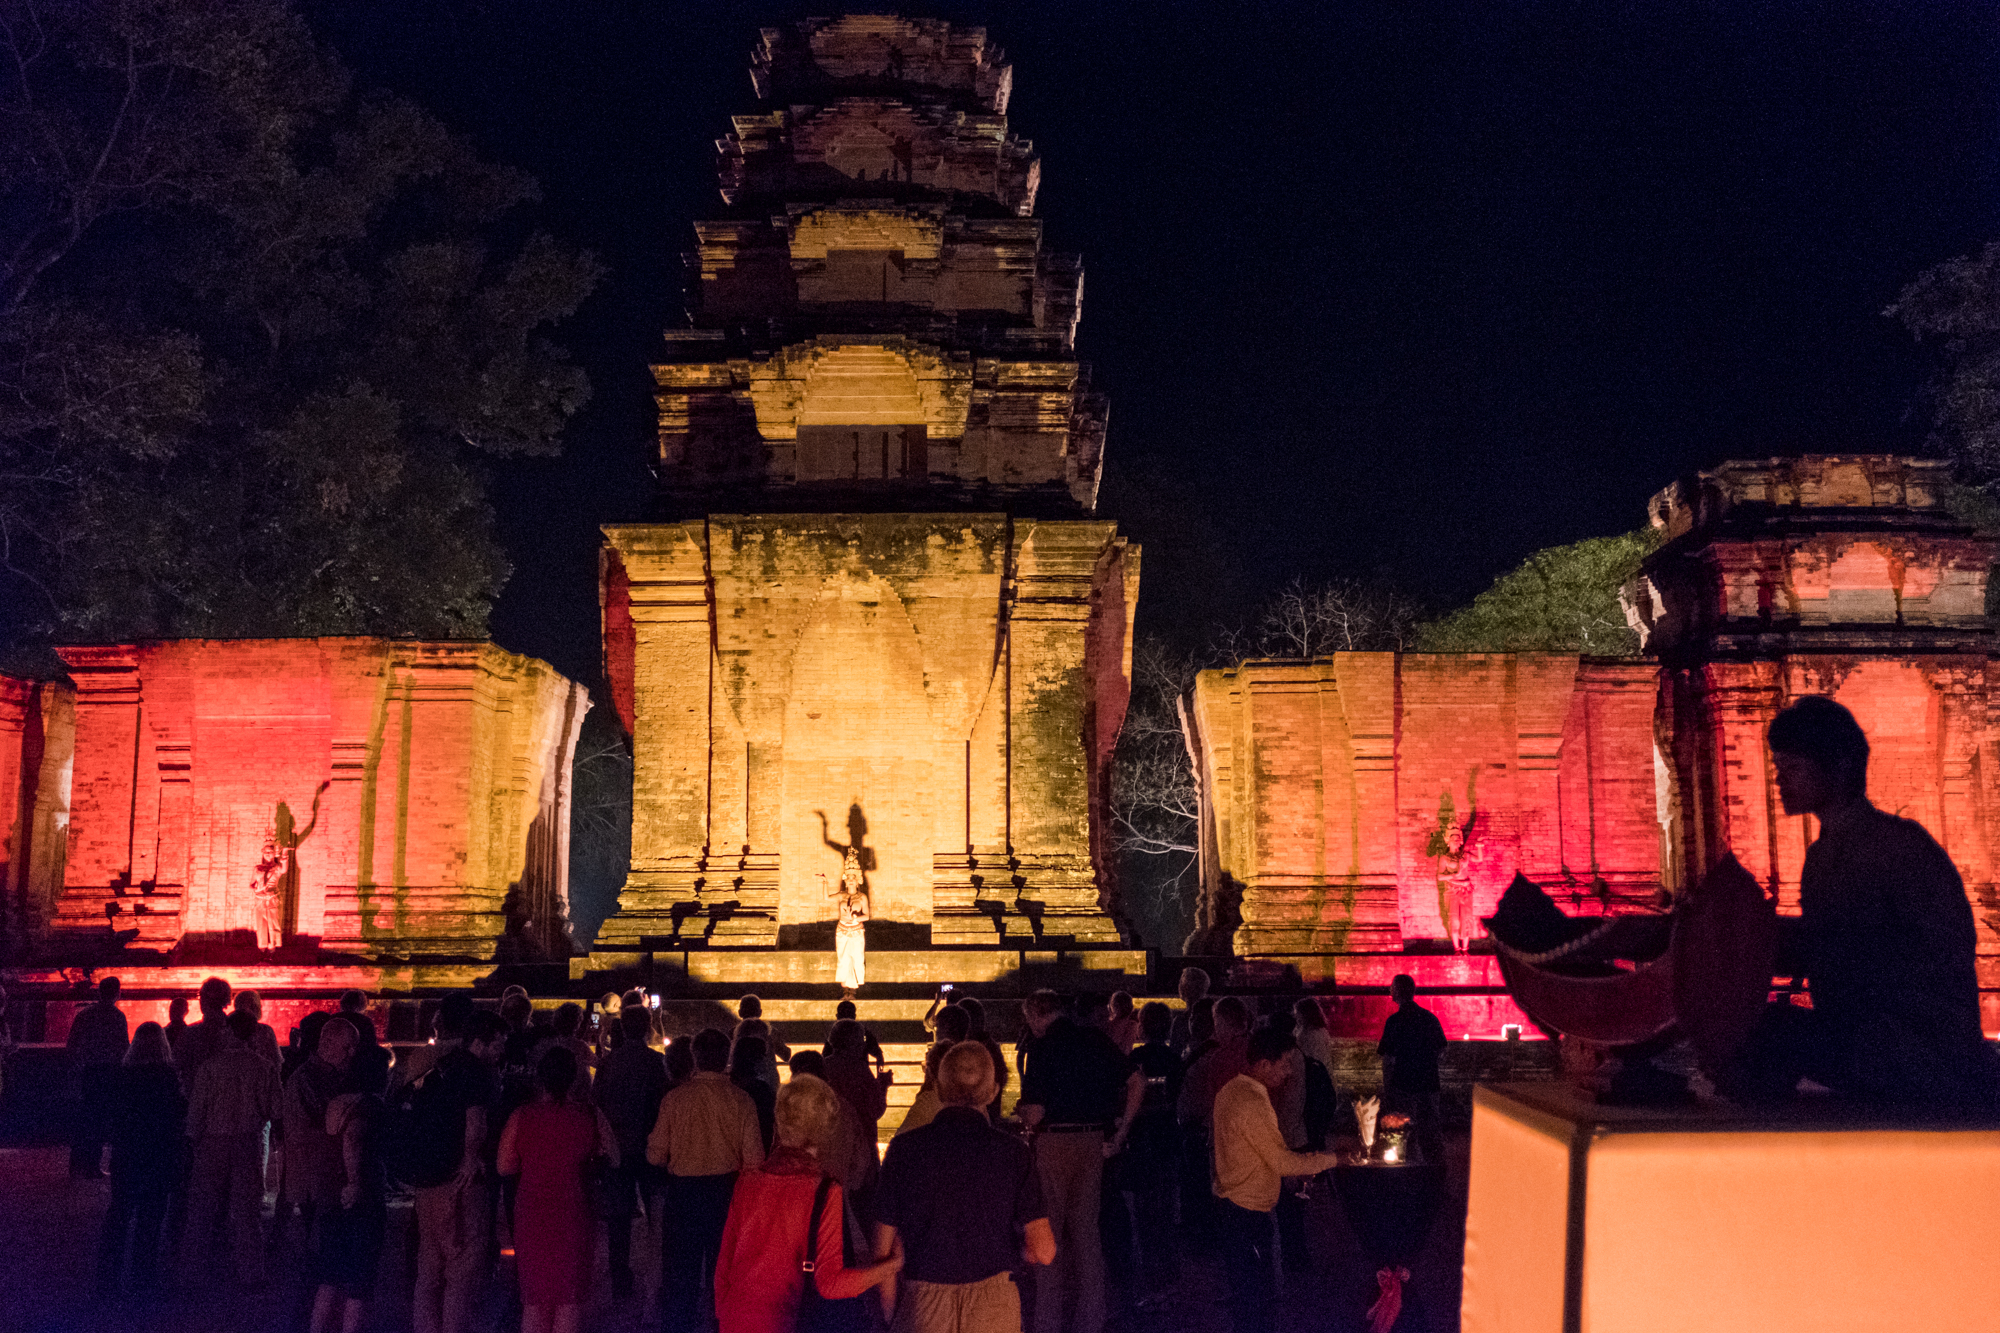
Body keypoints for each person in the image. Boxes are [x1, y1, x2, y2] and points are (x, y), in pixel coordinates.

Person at [875, 1042, 1055, 1333]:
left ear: (940, 1089)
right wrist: (1020, 1251)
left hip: (923, 1300)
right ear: (993, 1091)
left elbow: (882, 1245)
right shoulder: (1013, 1152)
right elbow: (1044, 1251)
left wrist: (890, 1312)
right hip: (993, 1302)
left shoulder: (904, 1150)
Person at [715, 1073, 905, 1333]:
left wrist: (723, 1311)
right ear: (825, 1129)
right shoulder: (824, 1190)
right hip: (784, 1320)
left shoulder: (747, 1180)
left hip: (736, 1317)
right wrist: (889, 1267)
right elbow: (830, 1283)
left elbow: (724, 1265)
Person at [1016, 990, 1135, 1333]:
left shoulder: (1042, 1046)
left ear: (1037, 1015)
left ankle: (1048, 1321)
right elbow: (1136, 1081)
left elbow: (1036, 1111)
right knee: (1087, 1233)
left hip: (1055, 1142)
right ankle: (1091, 1319)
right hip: (1093, 1140)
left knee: (1048, 1230)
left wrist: (1023, 1112)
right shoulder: (1095, 1038)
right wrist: (1121, 1132)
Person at [1211, 1027, 1344, 1333]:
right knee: (1258, 1299)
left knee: (1247, 1294)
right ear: (1263, 1064)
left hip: (1232, 1205)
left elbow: (1255, 1153)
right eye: (1284, 1064)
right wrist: (1335, 1158)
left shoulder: (1230, 1091)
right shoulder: (1252, 1102)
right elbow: (1282, 1161)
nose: (1289, 1073)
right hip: (1247, 1212)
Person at [649, 1027, 766, 1333]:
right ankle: (721, 1324)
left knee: (680, 1275)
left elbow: (655, 1155)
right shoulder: (741, 1100)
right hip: (725, 1193)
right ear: (727, 1056)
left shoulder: (675, 1099)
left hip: (684, 1195)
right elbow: (754, 1160)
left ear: (695, 1057)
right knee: (723, 1271)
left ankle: (679, 1326)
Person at [500, 1045, 617, 1333]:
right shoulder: (589, 1115)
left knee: (535, 1299)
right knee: (569, 1298)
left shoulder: (522, 1116)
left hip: (532, 1212)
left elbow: (505, 1166)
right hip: (574, 1212)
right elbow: (614, 1157)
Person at [405, 1008, 507, 1333]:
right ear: (480, 1042)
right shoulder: (478, 1073)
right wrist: (471, 1158)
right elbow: (476, 1121)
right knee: (462, 1270)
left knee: (429, 1269)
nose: (501, 1052)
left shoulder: (441, 1067)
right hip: (457, 1183)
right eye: (497, 1044)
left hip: (426, 1179)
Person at [183, 1007, 282, 1286]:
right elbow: (275, 1109)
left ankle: (191, 1273)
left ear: (228, 1030)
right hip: (248, 1143)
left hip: (213, 1141)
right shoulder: (265, 1067)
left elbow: (197, 1112)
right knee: (247, 1214)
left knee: (202, 1209)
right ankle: (252, 1275)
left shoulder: (210, 1067)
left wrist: (192, 1141)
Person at [312, 1016, 389, 1333]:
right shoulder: (365, 1104)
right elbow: (354, 1138)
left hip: (331, 1195)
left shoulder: (335, 1100)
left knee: (330, 1276)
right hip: (358, 1198)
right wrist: (356, 1182)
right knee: (358, 1281)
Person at [96, 1022, 184, 1295]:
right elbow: (176, 1118)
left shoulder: (123, 1076)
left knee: (119, 1212)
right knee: (151, 1217)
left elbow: (113, 1117)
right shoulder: (168, 1077)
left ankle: (106, 1279)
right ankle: (142, 1279)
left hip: (128, 1153)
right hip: (158, 1154)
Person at [1106, 1002, 1181, 1310]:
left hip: (1140, 1143)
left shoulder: (1135, 1059)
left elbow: (1123, 1098)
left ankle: (1151, 1284)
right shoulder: (1176, 1059)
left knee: (1145, 1218)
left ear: (1142, 1027)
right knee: (1165, 1215)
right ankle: (1169, 1280)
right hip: (1168, 1141)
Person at [596, 1005, 668, 1300]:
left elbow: (596, 1104)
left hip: (619, 1146)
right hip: (651, 1146)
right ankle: (658, 1281)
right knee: (657, 1218)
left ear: (623, 1028)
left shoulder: (609, 1064)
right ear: (649, 1027)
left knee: (618, 1219)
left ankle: (620, 1284)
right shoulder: (657, 1063)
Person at [282, 1013, 357, 1251]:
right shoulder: (305, 1079)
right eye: (346, 1046)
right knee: (319, 1244)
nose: (351, 1053)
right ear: (325, 1044)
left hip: (326, 1177)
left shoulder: (333, 1075)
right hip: (315, 1178)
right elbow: (298, 1132)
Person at [1377, 975, 1447, 1165]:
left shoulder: (1394, 1021)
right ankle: (1436, 1170)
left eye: (1392, 987)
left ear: (1397, 991)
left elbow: (1388, 1058)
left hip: (1404, 1084)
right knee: (1431, 1129)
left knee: (1406, 1130)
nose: (1389, 990)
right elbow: (1441, 1048)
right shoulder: (1429, 1017)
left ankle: (1413, 1169)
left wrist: (1388, 1086)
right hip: (1428, 1082)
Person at [68, 974, 130, 1177]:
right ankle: (92, 1167)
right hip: (108, 1073)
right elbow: (123, 1048)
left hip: (88, 1071)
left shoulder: (84, 1015)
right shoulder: (117, 1017)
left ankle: (76, 1166)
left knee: (84, 1118)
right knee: (100, 1120)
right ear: (117, 993)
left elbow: (72, 1044)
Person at [174, 978, 236, 1094]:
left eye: (200, 996)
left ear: (205, 1000)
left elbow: (178, 1066)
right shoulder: (236, 1031)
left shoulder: (190, 1034)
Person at [825, 854, 870, 996]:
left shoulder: (862, 897)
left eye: (853, 879)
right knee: (843, 959)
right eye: (848, 879)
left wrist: (857, 918)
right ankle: (845, 989)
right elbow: (826, 898)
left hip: (856, 931)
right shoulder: (841, 895)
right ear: (846, 881)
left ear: (858, 882)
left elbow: (867, 916)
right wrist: (825, 882)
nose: (851, 881)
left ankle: (854, 990)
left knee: (856, 958)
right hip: (842, 930)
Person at [339, 990, 393, 1095]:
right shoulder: (364, 1021)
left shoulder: (333, 1019)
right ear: (362, 1005)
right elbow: (370, 1045)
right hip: (360, 1066)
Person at [731, 1035, 778, 1152]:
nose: (766, 1060)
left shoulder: (726, 1085)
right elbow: (768, 1127)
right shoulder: (762, 1090)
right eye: (762, 1055)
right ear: (754, 1059)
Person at [732, 995, 790, 1089]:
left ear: (740, 1013)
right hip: (769, 1083)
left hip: (741, 1083)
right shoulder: (770, 1032)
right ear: (760, 1012)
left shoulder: (733, 1033)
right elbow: (786, 1055)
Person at [232, 989, 283, 1067]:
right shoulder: (266, 1031)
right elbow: (276, 1060)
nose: (260, 1007)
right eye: (257, 1004)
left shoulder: (228, 1030)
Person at [1167, 969, 1211, 1055]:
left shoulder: (1180, 1021)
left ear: (1184, 988)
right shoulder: (1211, 1016)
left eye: (1180, 982)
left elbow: (1174, 1053)